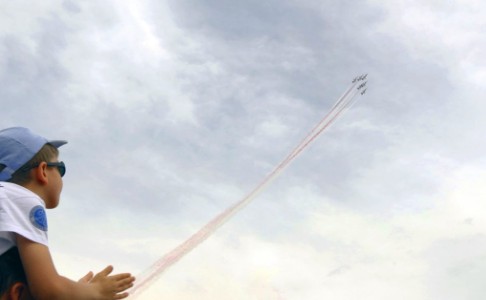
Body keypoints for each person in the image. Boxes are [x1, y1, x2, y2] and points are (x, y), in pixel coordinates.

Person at [0, 127, 135, 299]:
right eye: (60, 168)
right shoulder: (21, 198)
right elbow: (49, 291)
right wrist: (96, 291)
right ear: (42, 171)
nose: (61, 176)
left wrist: (74, 292)